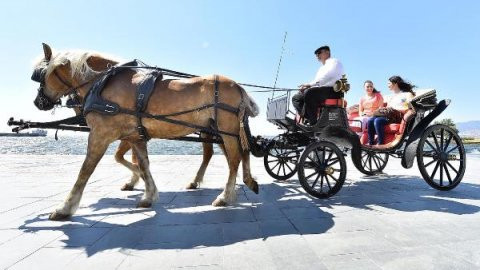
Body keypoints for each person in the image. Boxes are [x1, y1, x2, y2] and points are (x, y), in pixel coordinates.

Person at [291, 45, 344, 126]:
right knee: (296, 98)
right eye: (316, 55)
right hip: (322, 91)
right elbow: (317, 82)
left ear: (327, 52)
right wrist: (306, 87)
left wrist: (309, 85)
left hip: (333, 90)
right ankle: (308, 117)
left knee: (309, 93)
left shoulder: (334, 61)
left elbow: (328, 75)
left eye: (319, 53)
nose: (317, 56)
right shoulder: (321, 68)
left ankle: (313, 123)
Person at [367, 76, 415, 145]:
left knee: (378, 121)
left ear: (395, 84)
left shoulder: (407, 94)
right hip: (389, 116)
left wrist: (397, 110)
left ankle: (381, 144)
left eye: (389, 83)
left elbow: (411, 108)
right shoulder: (391, 97)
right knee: (370, 120)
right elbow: (388, 109)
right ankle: (371, 143)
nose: (387, 85)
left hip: (398, 116)